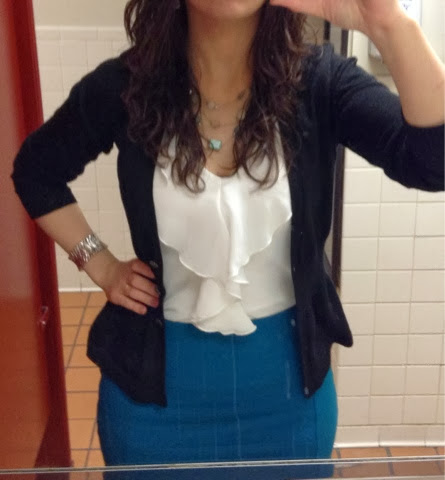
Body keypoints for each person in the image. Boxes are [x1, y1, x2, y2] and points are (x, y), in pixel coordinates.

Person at [10, 0, 444, 475]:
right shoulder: (127, 86)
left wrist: (387, 23)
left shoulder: (320, 82)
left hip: (287, 400)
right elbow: (35, 170)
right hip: (153, 408)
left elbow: (433, 160)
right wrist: (101, 264)